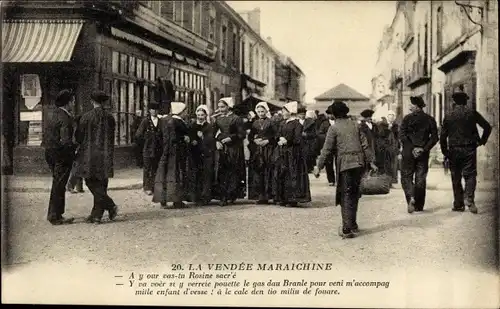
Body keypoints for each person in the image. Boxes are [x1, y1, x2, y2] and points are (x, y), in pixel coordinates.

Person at [314, 101, 377, 239]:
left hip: (345, 164)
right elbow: (365, 145)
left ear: (335, 114)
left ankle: (347, 228)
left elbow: (327, 149)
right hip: (359, 164)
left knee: (345, 195)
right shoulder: (356, 125)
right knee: (354, 194)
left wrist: (319, 166)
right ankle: (352, 224)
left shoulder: (334, 128)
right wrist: (371, 162)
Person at [440, 90, 492, 214]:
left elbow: (442, 136)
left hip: (454, 150)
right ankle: (469, 199)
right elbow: (487, 127)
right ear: (465, 101)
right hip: (469, 149)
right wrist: (482, 141)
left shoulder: (448, 116)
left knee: (456, 176)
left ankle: (458, 204)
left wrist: (445, 152)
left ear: (454, 102)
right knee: (470, 175)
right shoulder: (472, 113)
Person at [75, 90, 118, 224]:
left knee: (90, 182)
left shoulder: (86, 117)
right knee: (102, 183)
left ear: (92, 102)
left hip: (89, 154)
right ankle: (97, 214)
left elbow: (79, 137)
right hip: (105, 154)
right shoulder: (110, 117)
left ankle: (109, 206)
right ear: (104, 102)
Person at [42, 89, 77, 225]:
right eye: (72, 101)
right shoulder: (65, 118)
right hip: (62, 155)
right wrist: (74, 150)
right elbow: (66, 141)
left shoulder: (52, 114)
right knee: (59, 185)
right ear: (68, 103)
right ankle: (55, 215)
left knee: (57, 183)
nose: (73, 104)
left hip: (50, 153)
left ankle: (56, 214)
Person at [399, 96, 439, 213]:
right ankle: (419, 206)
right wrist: (423, 149)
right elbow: (435, 137)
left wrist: (412, 148)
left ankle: (411, 197)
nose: (410, 106)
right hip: (423, 154)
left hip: (408, 153)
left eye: (411, 104)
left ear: (416, 106)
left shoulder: (406, 119)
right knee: (420, 179)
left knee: (406, 176)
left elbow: (402, 136)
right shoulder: (430, 119)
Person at [273, 101, 311, 207]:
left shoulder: (297, 124)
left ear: (290, 112)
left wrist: (287, 141)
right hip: (282, 151)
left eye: (284, 111)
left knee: (292, 174)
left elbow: (298, 139)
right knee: (282, 173)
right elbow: (278, 134)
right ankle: (282, 198)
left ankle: (292, 198)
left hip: (293, 152)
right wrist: (279, 138)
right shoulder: (282, 123)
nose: (282, 113)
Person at [153, 102, 190, 209]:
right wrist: (184, 139)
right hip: (176, 152)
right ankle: (176, 200)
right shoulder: (178, 122)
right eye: (185, 111)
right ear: (180, 111)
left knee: (163, 174)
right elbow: (177, 138)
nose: (186, 113)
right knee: (175, 175)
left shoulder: (164, 120)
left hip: (166, 152)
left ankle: (162, 199)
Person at [213, 97, 246, 206]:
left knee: (233, 171)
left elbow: (242, 134)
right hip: (223, 148)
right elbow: (213, 134)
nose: (220, 109)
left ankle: (231, 195)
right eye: (219, 107)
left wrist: (231, 138)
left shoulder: (236, 119)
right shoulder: (218, 119)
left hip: (234, 148)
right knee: (223, 171)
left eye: (223, 107)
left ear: (228, 107)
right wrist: (217, 141)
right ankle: (223, 196)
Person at [188, 104, 216, 206]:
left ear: (205, 116)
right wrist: (193, 140)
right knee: (196, 175)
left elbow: (212, 139)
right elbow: (190, 136)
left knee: (206, 175)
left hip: (206, 154)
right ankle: (195, 197)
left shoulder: (209, 126)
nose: (200, 117)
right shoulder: (193, 125)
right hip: (195, 154)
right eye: (198, 115)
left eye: (202, 115)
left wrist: (203, 137)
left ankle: (205, 197)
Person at [248, 101, 276, 204]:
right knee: (258, 172)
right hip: (258, 150)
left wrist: (268, 140)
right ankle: (260, 196)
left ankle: (269, 195)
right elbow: (250, 136)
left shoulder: (271, 122)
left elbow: (276, 135)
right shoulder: (255, 123)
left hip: (268, 149)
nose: (260, 113)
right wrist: (254, 140)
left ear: (266, 111)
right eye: (259, 112)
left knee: (268, 171)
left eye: (262, 111)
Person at [135, 102, 163, 196]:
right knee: (147, 168)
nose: (154, 111)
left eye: (156, 109)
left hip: (158, 149)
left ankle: (154, 186)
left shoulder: (160, 121)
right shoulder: (145, 121)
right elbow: (138, 135)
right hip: (147, 148)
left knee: (155, 168)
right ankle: (146, 187)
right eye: (152, 109)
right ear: (149, 110)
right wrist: (146, 141)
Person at [317, 104, 336, 186]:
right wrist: (329, 137)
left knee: (339, 163)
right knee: (329, 163)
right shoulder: (324, 124)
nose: (331, 115)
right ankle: (331, 180)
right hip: (329, 145)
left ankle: (340, 179)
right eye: (329, 114)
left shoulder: (338, 122)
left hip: (338, 146)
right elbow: (320, 134)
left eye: (332, 114)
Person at [66, 113, 84, 194]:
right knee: (77, 168)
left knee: (79, 168)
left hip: (78, 150)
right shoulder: (79, 130)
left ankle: (79, 187)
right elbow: (77, 141)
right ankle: (71, 186)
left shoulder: (76, 128)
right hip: (79, 150)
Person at [297, 107, 317, 173]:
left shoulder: (311, 122)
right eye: (301, 114)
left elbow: (314, 134)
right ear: (298, 115)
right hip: (298, 143)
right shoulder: (295, 122)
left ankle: (308, 168)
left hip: (307, 143)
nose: (302, 115)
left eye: (304, 114)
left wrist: (307, 135)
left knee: (307, 156)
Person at [387, 110, 400, 184]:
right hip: (387, 148)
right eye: (389, 116)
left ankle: (394, 179)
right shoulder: (384, 126)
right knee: (388, 164)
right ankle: (388, 180)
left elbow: (398, 137)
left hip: (394, 147)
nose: (391, 118)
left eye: (392, 116)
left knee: (394, 165)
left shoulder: (396, 126)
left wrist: (399, 147)